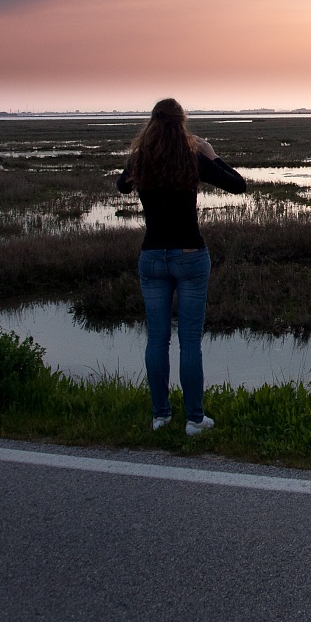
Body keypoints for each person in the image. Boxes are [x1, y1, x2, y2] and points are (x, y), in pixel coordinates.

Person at [117, 98, 246, 435]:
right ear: (182, 123)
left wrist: (138, 157)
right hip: (190, 255)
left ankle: (160, 416)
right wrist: (212, 155)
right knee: (189, 341)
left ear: (153, 123)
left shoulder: (140, 158)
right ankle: (194, 419)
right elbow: (238, 184)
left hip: (152, 257)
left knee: (157, 339)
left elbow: (121, 185)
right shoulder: (192, 158)